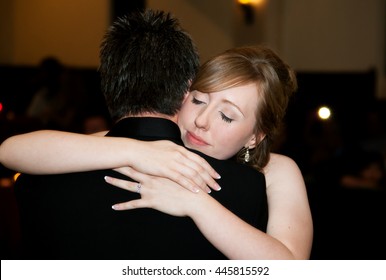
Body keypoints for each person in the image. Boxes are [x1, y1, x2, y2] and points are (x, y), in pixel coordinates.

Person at [1, 9, 272, 260]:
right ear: (187, 92)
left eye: (226, 116)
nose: (203, 121)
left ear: (107, 88)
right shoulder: (249, 189)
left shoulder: (36, 179)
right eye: (201, 101)